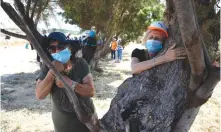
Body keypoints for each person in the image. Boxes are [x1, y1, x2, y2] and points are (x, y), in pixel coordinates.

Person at [35, 32, 95, 132]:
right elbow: (39, 95)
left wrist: (70, 83)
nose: (57, 50)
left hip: (86, 121)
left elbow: (91, 91)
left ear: (69, 48)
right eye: (53, 48)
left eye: (61, 46)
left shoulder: (80, 63)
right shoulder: (47, 67)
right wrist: (52, 73)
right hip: (63, 125)